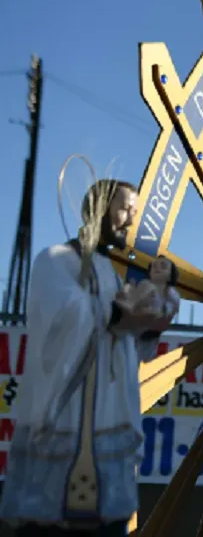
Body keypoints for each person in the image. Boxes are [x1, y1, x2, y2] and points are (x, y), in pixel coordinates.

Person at [0, 179, 177, 536]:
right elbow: (60, 320)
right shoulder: (56, 260)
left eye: (136, 212)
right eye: (126, 208)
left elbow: (124, 350)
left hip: (108, 421)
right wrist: (113, 315)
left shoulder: (110, 273)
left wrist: (147, 326)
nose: (130, 220)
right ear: (99, 207)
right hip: (65, 425)